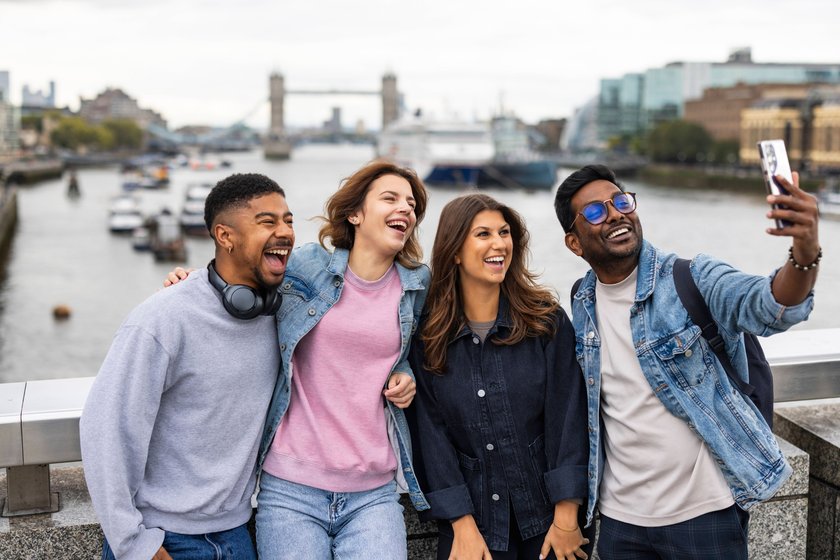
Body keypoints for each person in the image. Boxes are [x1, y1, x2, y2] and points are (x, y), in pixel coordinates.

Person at [165, 161, 431, 559]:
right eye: (390, 198)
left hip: (373, 491)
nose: (405, 209)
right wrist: (194, 285)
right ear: (355, 214)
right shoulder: (307, 266)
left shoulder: (417, 283)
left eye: (411, 204)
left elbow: (408, 352)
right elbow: (244, 280)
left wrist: (404, 373)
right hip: (291, 489)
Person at [553, 164, 820, 559]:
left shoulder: (692, 278)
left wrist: (804, 251)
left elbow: (769, 304)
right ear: (574, 244)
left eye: (621, 201)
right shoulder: (582, 300)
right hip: (619, 521)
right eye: (594, 211)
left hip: (704, 516)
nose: (614, 214)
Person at [80, 173, 295, 560]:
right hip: (163, 539)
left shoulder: (283, 312)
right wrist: (135, 546)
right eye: (268, 222)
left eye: (288, 220)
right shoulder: (163, 318)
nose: (285, 232)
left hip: (236, 535)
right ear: (224, 236)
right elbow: (106, 430)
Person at [407, 193, 592, 560]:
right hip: (471, 527)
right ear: (455, 250)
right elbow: (430, 435)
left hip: (550, 523)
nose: (499, 244)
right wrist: (461, 524)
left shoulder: (546, 322)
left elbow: (568, 416)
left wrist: (567, 517)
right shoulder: (427, 337)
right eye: (483, 234)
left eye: (504, 232)